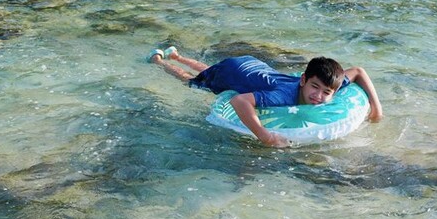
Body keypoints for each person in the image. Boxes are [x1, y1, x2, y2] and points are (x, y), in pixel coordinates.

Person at [148, 47, 383, 147]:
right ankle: (161, 61)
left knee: (208, 69)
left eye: (326, 92)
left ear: (334, 89)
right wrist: (266, 136)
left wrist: (377, 108)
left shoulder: (334, 83)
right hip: (235, 73)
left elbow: (359, 71)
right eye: (314, 87)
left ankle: (177, 55)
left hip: (254, 66)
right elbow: (239, 101)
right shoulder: (282, 96)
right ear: (303, 80)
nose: (319, 96)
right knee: (194, 82)